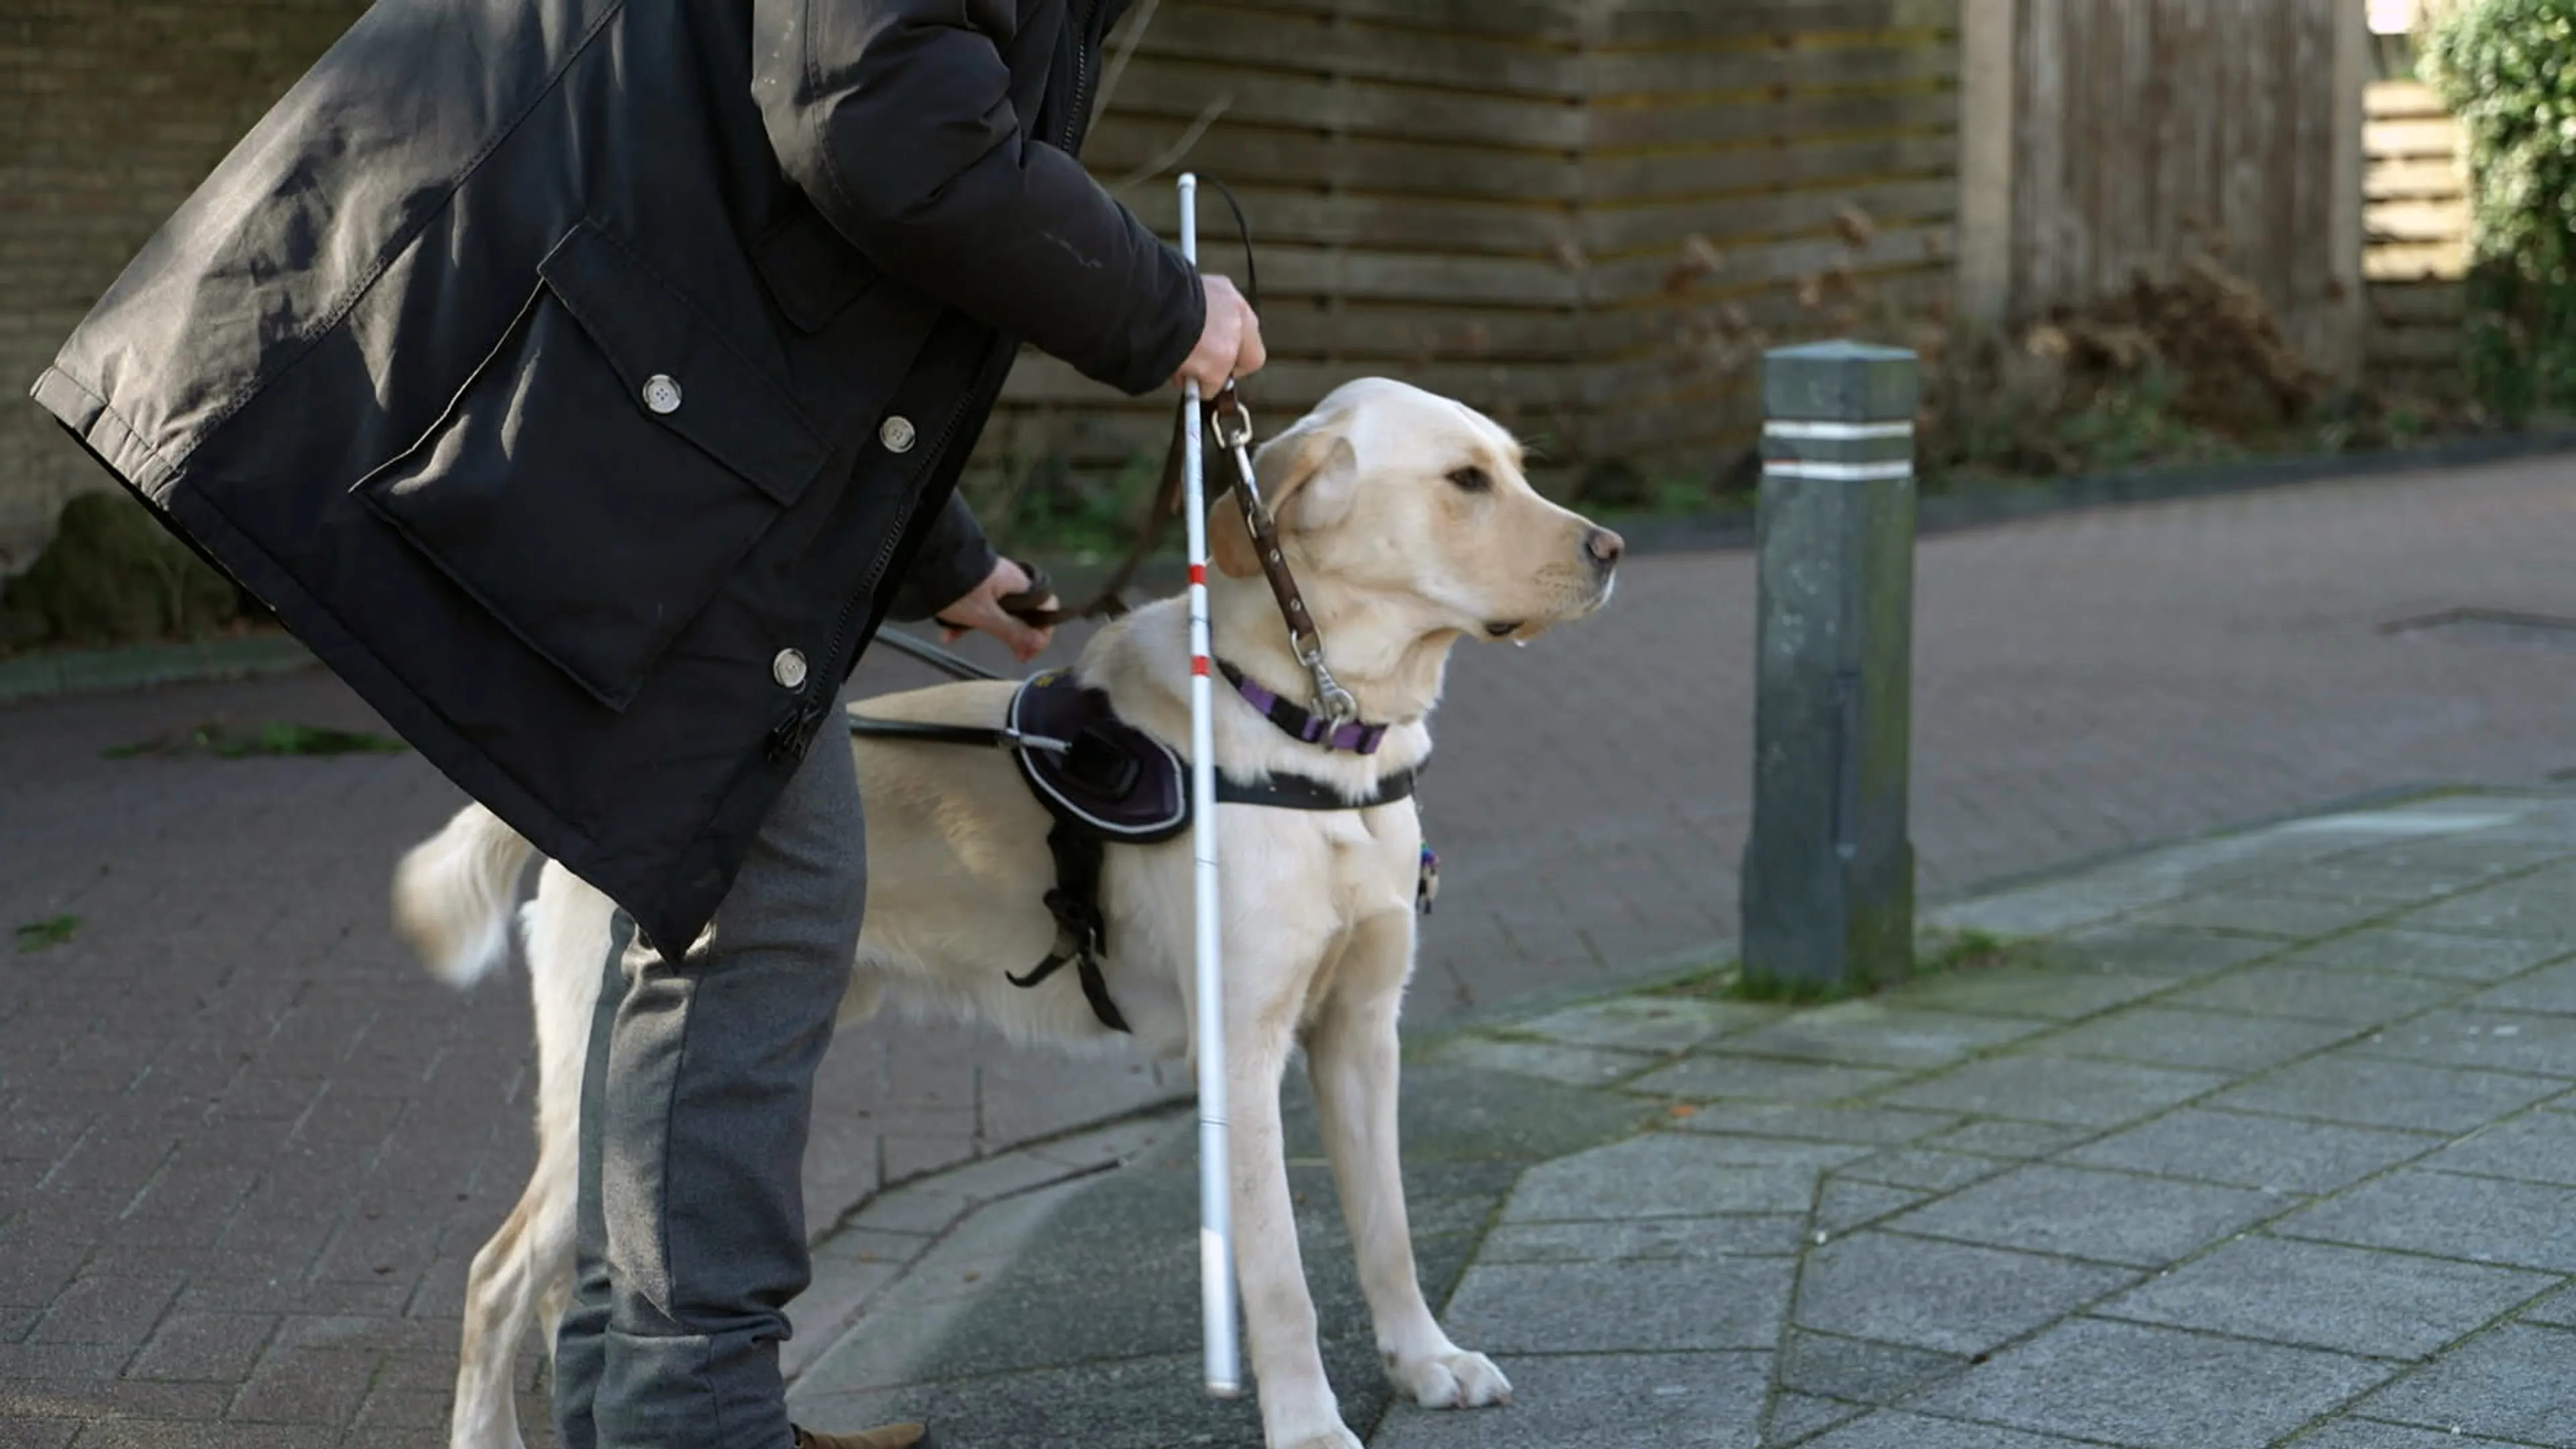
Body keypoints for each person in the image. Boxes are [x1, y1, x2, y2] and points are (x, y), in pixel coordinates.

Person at [30, 1, 1266, 1445]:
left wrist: (942, 556)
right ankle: (695, 1415)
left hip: (624, 395)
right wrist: (1161, 305)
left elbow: (801, 215)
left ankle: (644, 1402)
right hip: (546, 380)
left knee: (715, 898)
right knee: (771, 902)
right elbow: (879, 122)